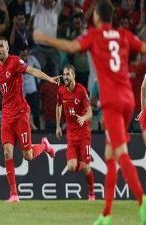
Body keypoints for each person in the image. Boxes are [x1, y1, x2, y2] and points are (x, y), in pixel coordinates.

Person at [33, 0, 146, 224]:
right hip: (128, 100)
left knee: (121, 153)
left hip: (113, 103)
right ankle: (105, 214)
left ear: (97, 16)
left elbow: (70, 47)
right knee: (109, 156)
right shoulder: (123, 34)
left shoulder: (95, 36)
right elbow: (145, 49)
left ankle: (142, 202)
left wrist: (44, 38)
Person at [0, 38, 58, 202]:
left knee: (28, 156)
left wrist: (48, 78)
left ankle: (45, 146)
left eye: (1, 46)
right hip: (7, 116)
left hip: (21, 114)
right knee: (7, 152)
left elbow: (32, 71)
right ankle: (14, 194)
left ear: (8, 49)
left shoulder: (15, 61)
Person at [56, 64, 95, 201]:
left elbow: (90, 112)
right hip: (71, 135)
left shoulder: (81, 90)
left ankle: (91, 193)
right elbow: (59, 105)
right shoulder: (61, 91)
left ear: (74, 75)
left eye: (67, 74)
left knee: (86, 167)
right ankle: (84, 160)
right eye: (64, 74)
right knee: (71, 167)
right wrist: (58, 126)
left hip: (84, 134)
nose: (65, 77)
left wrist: (83, 118)